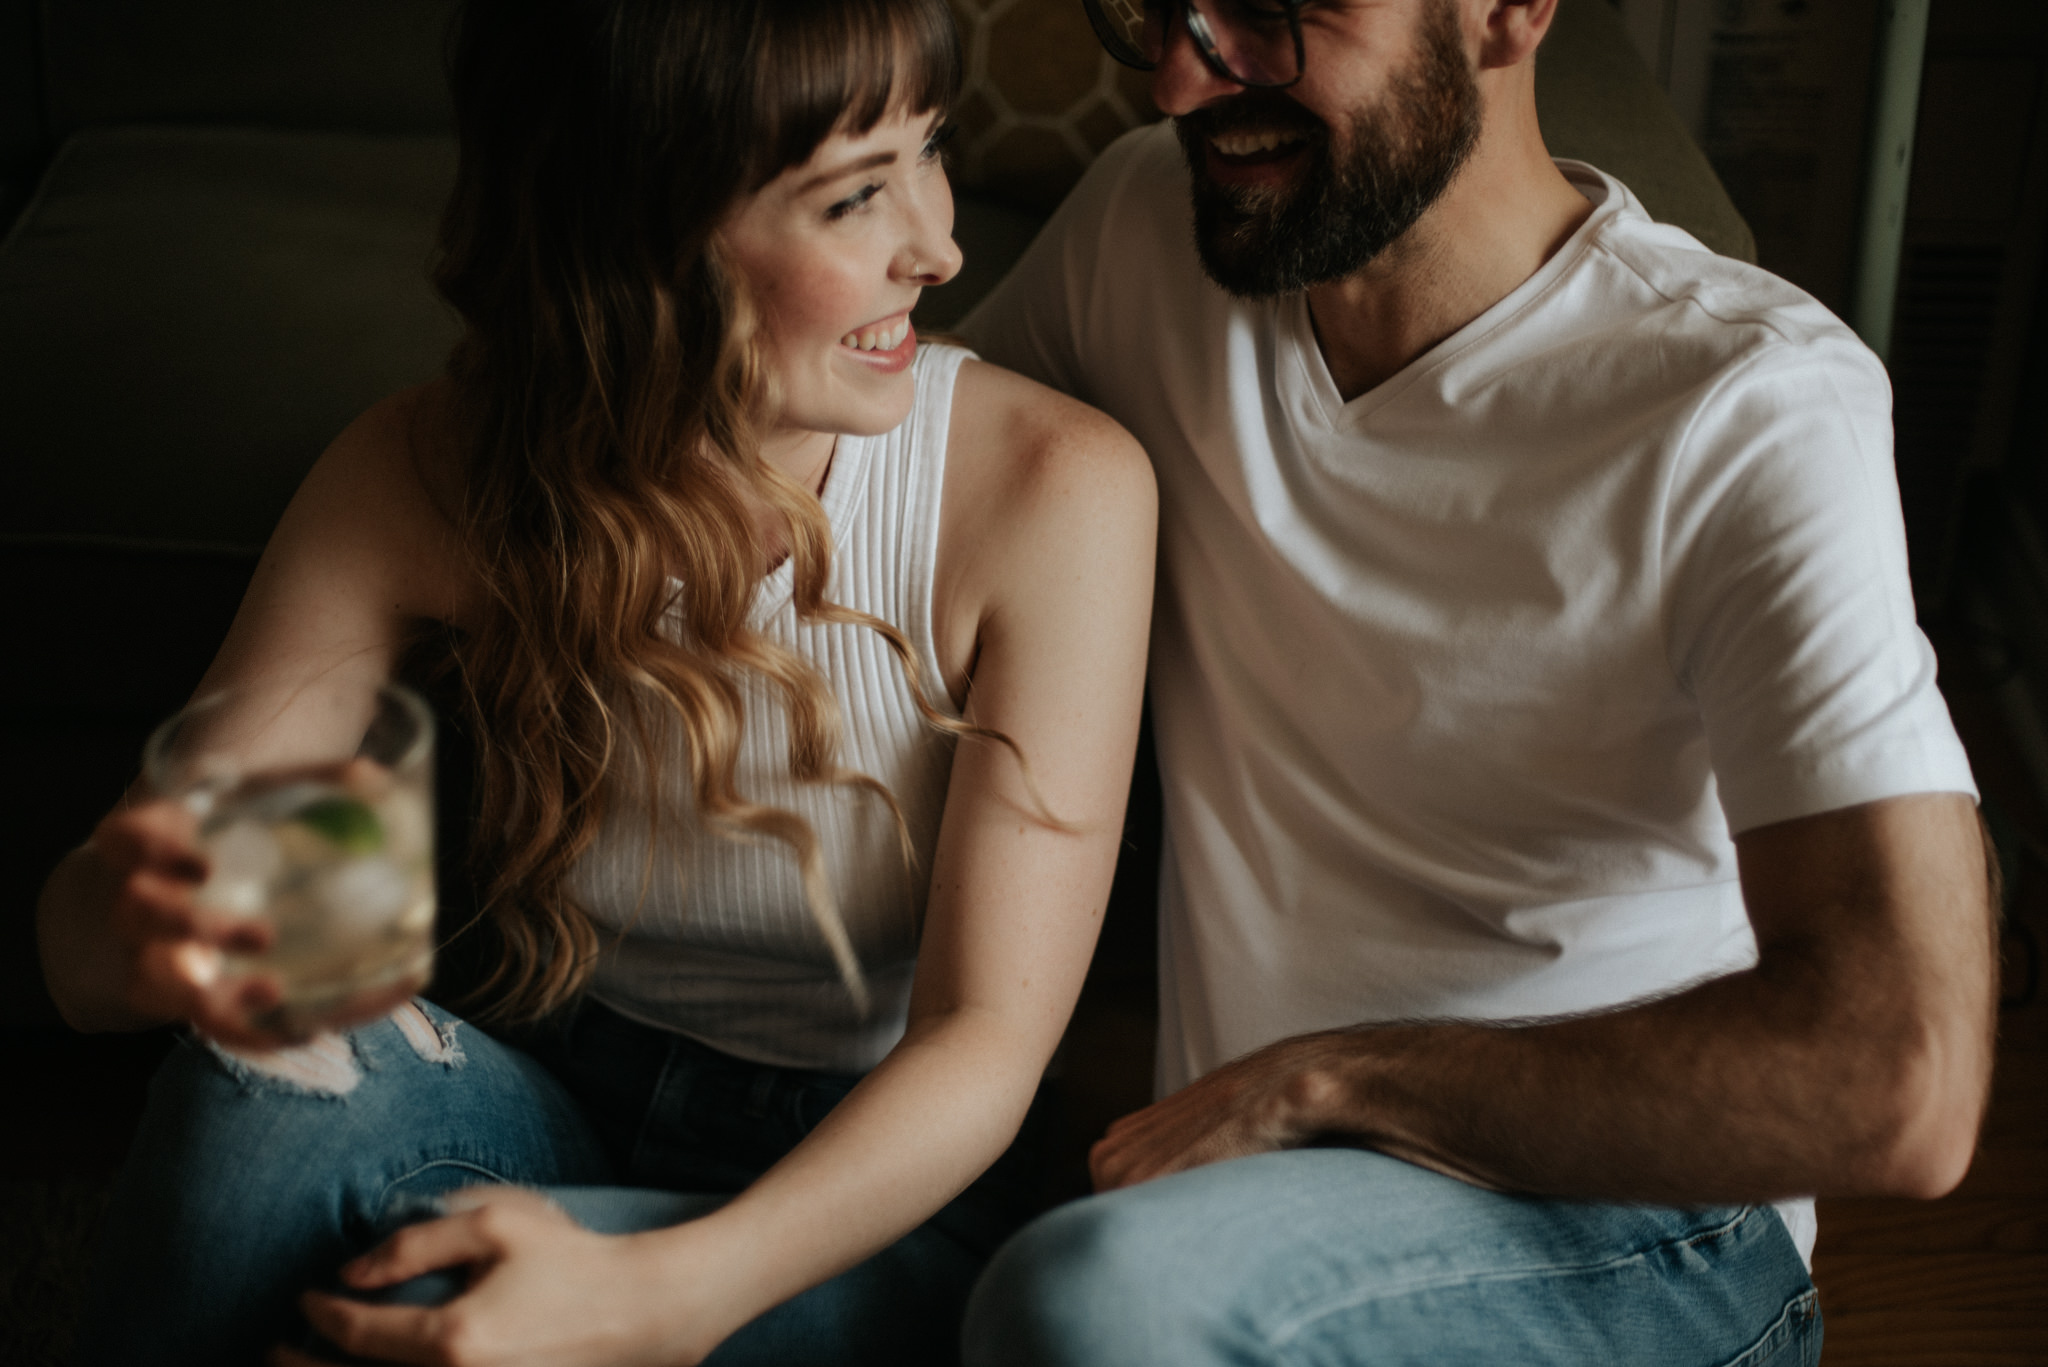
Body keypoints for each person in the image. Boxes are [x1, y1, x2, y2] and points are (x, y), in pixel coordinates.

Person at [34, 2, 1155, 1364]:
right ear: (650, 234)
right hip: (557, 1087)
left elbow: (985, 1041)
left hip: (868, 1181)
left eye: (930, 149)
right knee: (260, 1068)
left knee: (419, 1323)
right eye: (858, 197)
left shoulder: (1054, 493)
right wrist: (159, 915)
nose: (940, 243)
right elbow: (97, 957)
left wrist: (663, 1297)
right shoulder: (431, 470)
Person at [955, 0, 1996, 1362]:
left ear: (1508, 12)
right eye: (1152, 9)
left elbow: (1901, 1079)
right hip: (1240, 1211)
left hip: (1639, 1228)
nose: (1175, 79)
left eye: (1268, 9)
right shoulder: (1144, 229)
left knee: (1095, 1307)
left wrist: (1333, 1079)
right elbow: (892, 489)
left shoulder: (1747, 405)